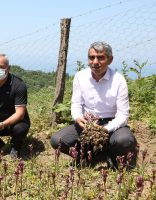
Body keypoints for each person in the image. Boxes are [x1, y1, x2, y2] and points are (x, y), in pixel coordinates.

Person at [50, 41, 137, 169]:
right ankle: (88, 157)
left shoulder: (118, 80)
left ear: (110, 60)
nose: (95, 62)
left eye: (101, 57)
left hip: (112, 123)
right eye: (91, 57)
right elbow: (76, 103)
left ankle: (111, 155)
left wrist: (106, 129)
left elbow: (123, 114)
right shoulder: (80, 76)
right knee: (57, 140)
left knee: (124, 141)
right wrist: (77, 117)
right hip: (87, 122)